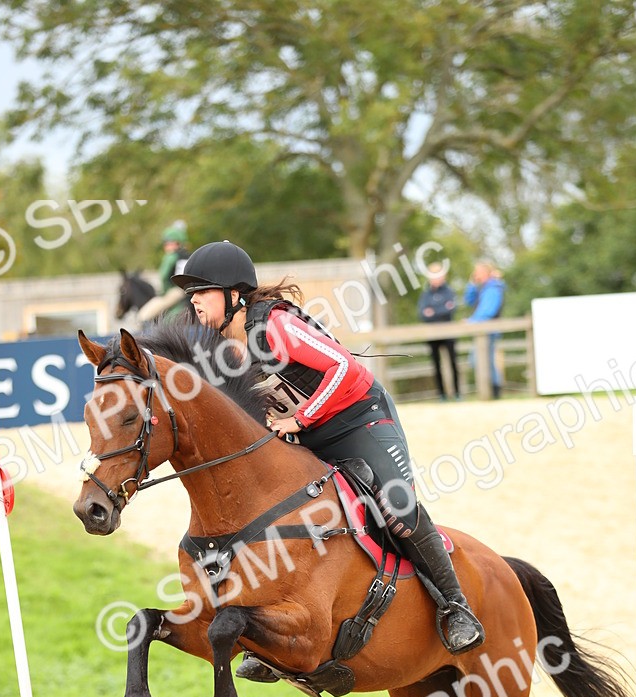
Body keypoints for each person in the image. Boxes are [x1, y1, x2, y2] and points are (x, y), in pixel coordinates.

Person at [172, 241, 485, 668]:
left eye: (202, 290)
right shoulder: (225, 345)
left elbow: (344, 369)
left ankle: (455, 606)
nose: (193, 300)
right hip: (310, 434)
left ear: (234, 295)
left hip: (360, 421)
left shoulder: (275, 326)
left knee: (397, 504)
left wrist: (300, 421)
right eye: (191, 293)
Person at [418, 262, 460, 401]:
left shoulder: (449, 291)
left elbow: (450, 308)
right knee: (436, 365)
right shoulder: (426, 294)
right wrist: (441, 310)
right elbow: (423, 313)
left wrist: (433, 311)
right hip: (432, 334)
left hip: (449, 333)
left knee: (453, 363)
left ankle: (457, 393)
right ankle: (441, 394)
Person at [464, 261, 505, 399]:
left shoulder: (493, 288)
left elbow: (487, 312)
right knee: (484, 361)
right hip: (484, 331)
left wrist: (471, 321)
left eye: (478, 272)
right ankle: (494, 390)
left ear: (487, 273)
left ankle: (494, 389)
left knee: (479, 360)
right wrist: (472, 284)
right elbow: (469, 301)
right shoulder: (484, 288)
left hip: (489, 331)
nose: (476, 275)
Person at [136, 221, 190, 324]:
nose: (166, 246)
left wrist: (163, 292)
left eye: (169, 243)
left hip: (176, 290)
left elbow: (164, 276)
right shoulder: (189, 255)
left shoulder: (171, 256)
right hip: (190, 291)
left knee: (143, 316)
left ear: (177, 243)